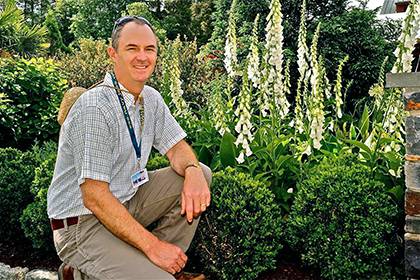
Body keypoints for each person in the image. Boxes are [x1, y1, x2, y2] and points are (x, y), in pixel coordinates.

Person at [47, 16, 211, 280]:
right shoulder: (95, 107)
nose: (142, 57)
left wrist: (192, 170)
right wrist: (153, 246)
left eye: (150, 49)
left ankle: (152, 265)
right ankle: (83, 272)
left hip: (126, 200)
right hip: (82, 223)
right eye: (132, 48)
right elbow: (94, 197)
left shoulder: (151, 99)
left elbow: (178, 148)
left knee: (201, 173)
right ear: (113, 54)